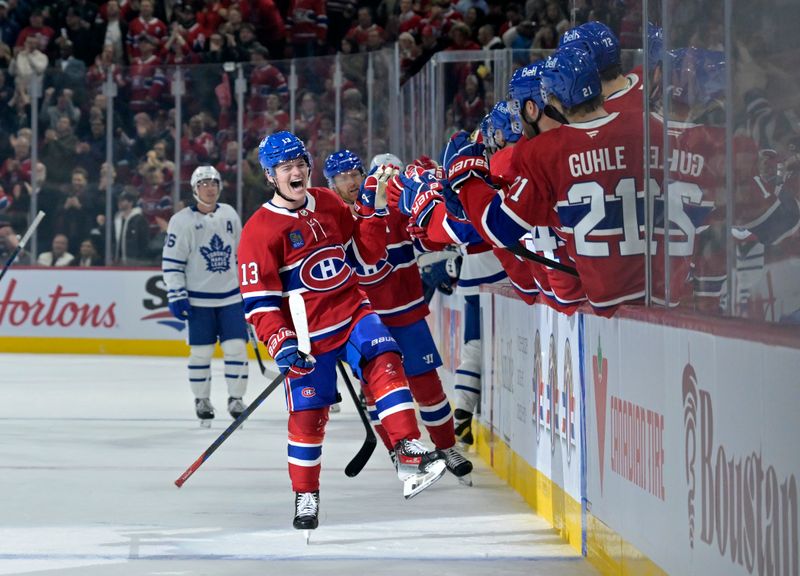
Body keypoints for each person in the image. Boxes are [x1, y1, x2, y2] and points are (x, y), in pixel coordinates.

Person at [237, 131, 447, 533]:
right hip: (306, 336)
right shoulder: (259, 231)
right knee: (309, 417)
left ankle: (407, 450)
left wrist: (372, 213)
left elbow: (367, 254)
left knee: (385, 359)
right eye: (286, 168)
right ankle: (305, 494)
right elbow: (260, 303)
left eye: (300, 163)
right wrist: (280, 342)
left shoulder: (330, 202)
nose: (296, 172)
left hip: (353, 310)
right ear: (270, 176)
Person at [445, 46, 649, 314]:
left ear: (532, 108)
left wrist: (466, 179)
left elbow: (496, 228)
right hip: (653, 292)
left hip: (586, 302)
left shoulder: (539, 156)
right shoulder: (640, 127)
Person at [323, 149, 473, 480]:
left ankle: (446, 446)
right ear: (330, 184)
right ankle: (400, 453)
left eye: (354, 174)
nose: (350, 182)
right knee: (377, 392)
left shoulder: (391, 208)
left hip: (404, 312)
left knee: (427, 386)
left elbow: (426, 240)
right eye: (341, 177)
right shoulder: (329, 222)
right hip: (362, 321)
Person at [162, 166, 249, 426]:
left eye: (214, 183)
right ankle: (202, 400)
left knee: (236, 349)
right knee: (201, 352)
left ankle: (236, 399)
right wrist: (176, 293)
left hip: (231, 297)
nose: (210, 188)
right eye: (204, 184)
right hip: (199, 299)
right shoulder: (181, 221)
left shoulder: (230, 214)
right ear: (194, 188)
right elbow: (172, 261)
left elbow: (241, 254)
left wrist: (249, 289)